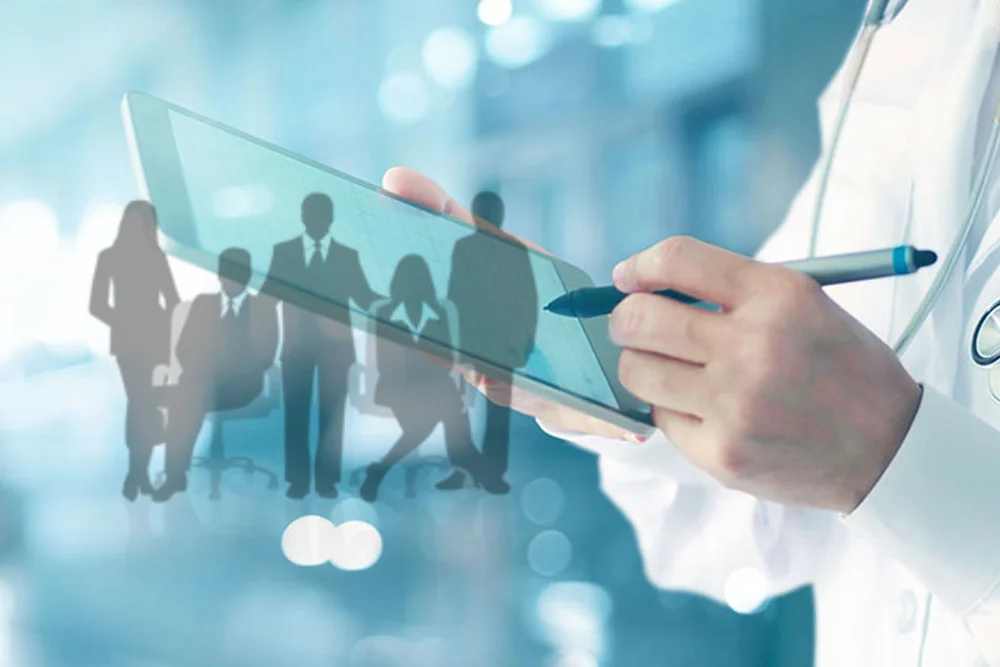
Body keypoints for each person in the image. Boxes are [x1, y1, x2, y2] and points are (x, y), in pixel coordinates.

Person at [378, 1, 1000, 658]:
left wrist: (893, 456)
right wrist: (600, 378)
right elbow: (744, 534)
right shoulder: (912, 36)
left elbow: (859, 460)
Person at [261, 192, 380, 499]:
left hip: (337, 351)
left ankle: (327, 480)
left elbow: (365, 298)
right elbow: (266, 299)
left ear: (329, 220)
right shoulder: (284, 252)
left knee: (333, 416)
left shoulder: (346, 256)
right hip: (297, 350)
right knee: (297, 414)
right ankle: (298, 480)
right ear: (304, 217)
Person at [359, 255, 504, 502]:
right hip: (398, 386)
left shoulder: (441, 311)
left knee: (437, 418)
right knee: (439, 418)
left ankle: (381, 471)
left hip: (434, 382)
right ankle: (469, 467)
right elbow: (383, 362)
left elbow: (454, 354)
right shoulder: (384, 312)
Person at [153, 247, 278, 502]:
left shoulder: (262, 309)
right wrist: (203, 368)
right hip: (201, 381)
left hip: (243, 386)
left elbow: (266, 355)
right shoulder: (203, 304)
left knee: (189, 396)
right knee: (191, 392)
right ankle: (175, 475)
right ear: (219, 275)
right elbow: (183, 348)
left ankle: (176, 474)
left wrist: (229, 370)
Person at [439, 191, 537, 493]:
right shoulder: (464, 247)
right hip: (473, 336)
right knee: (458, 405)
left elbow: (526, 298)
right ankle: (463, 468)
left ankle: (492, 470)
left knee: (498, 408)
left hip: (501, 340)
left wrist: (525, 339)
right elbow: (455, 294)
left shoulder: (513, 250)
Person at [90, 200, 180, 501]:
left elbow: (173, 301)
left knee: (146, 404)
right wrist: (129, 322)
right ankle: (137, 473)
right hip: (131, 341)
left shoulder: (156, 258)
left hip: (154, 340)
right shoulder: (109, 258)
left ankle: (138, 473)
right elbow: (97, 305)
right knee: (142, 402)